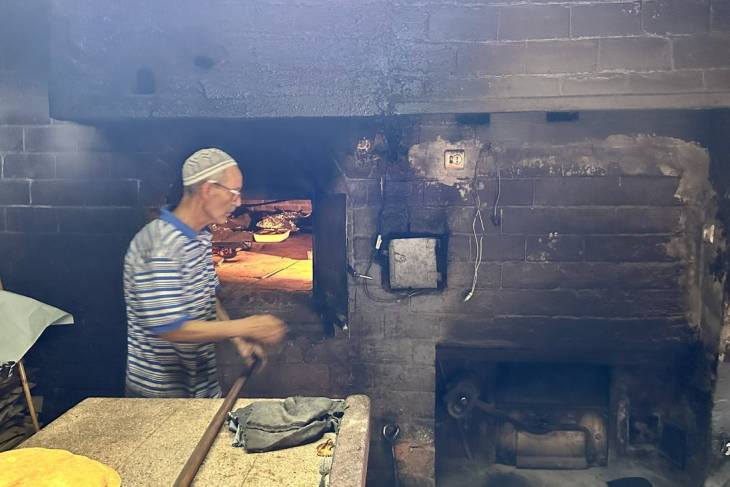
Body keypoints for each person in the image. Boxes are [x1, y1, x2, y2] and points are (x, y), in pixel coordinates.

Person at [123, 148, 286, 398]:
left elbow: (209, 297)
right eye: (234, 192)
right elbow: (170, 328)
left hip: (202, 389)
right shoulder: (158, 245)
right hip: (159, 399)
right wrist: (246, 327)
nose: (238, 202)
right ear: (208, 190)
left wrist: (240, 343)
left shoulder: (199, 236)